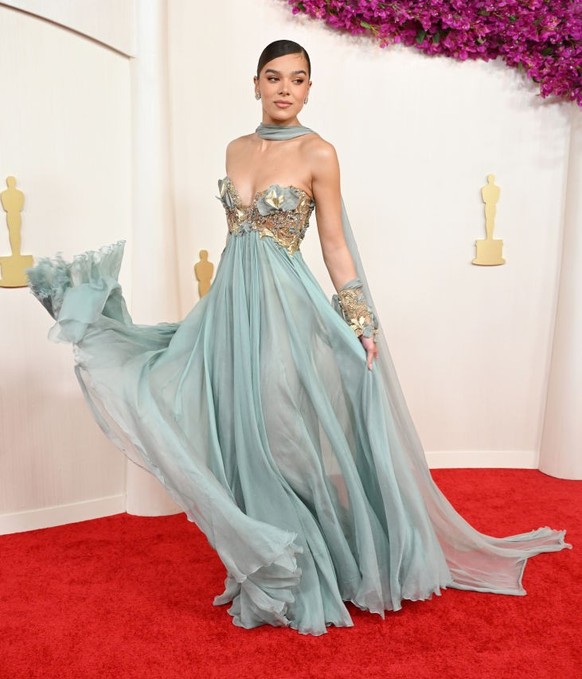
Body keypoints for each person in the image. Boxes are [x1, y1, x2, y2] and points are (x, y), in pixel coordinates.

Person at [27, 39, 570, 636]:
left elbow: (333, 244)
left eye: (299, 79)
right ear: (255, 83)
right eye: (274, 76)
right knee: (223, 423)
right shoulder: (235, 148)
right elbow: (240, 242)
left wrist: (360, 322)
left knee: (280, 438)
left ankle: (310, 568)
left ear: (310, 88)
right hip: (231, 307)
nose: (286, 88)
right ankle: (265, 566)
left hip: (287, 307)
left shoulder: (319, 153)